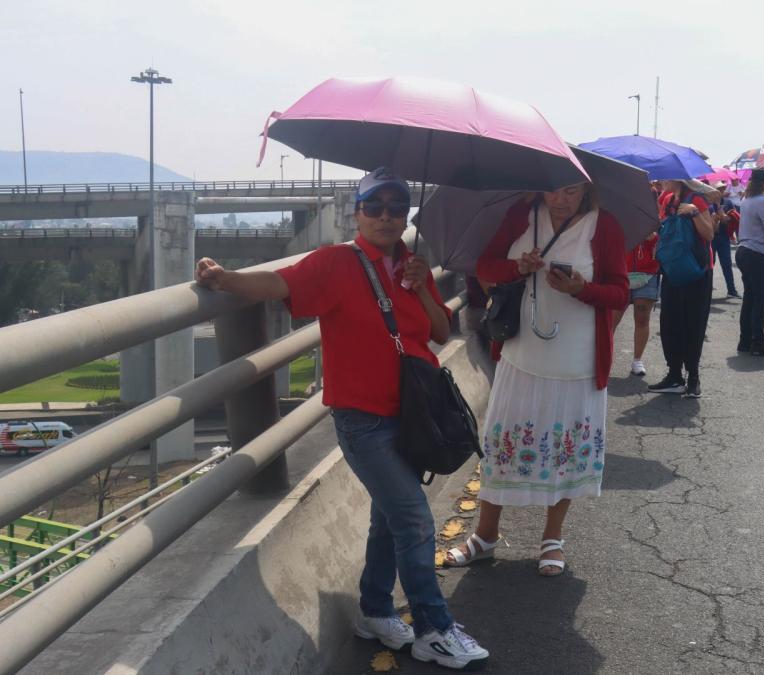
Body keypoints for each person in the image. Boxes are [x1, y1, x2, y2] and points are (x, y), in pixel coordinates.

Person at [194, 168, 488, 670]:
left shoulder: (413, 265)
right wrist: (225, 279)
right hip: (363, 422)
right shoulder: (337, 263)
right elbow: (280, 283)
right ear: (357, 212)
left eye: (398, 209)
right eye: (375, 207)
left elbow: (440, 332)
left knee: (386, 519)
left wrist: (419, 287)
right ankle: (435, 628)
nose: (387, 217)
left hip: (411, 417)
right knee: (413, 517)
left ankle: (374, 611)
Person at [457, 182, 628, 578]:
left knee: (567, 449)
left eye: (570, 191)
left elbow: (620, 292)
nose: (560, 200)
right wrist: (516, 267)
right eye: (552, 191)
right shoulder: (522, 215)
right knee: (502, 444)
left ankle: (553, 538)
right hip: (520, 353)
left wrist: (581, 289)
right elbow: (485, 267)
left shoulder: (605, 227)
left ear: (586, 190)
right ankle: (485, 535)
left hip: (578, 359)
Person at [647, 179, 716, 398]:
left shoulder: (696, 199)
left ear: (677, 177)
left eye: (664, 177)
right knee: (670, 323)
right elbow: (667, 229)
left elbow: (709, 235)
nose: (660, 181)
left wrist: (695, 213)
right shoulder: (666, 200)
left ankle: (693, 378)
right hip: (672, 269)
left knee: (693, 324)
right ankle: (675, 375)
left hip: (697, 270)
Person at [735, 167, 764, 357]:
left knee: (749, 298)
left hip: (744, 251)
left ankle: (745, 340)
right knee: (761, 300)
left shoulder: (746, 199)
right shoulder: (762, 201)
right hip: (758, 253)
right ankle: (758, 343)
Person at [616, 230, 659, 376]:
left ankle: (637, 360)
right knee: (610, 321)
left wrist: (654, 239)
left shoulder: (653, 215)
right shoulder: (615, 216)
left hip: (647, 274)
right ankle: (603, 357)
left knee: (642, 319)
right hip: (620, 274)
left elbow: (664, 244)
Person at [711, 182, 740, 298]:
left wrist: (724, 218)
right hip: (711, 237)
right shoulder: (709, 203)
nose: (721, 191)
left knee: (727, 264)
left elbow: (732, 218)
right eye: (718, 189)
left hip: (723, 237)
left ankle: (731, 290)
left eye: (722, 189)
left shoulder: (728, 202)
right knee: (709, 265)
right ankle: (707, 289)